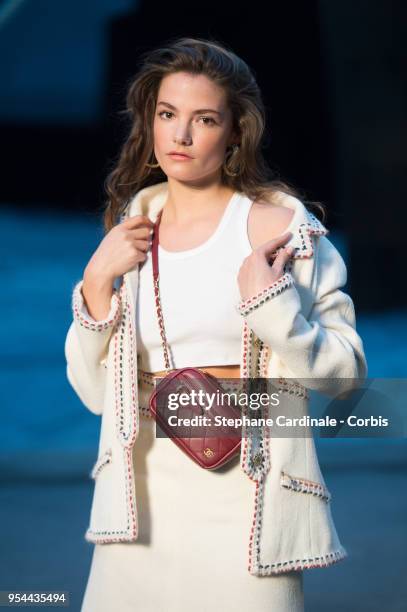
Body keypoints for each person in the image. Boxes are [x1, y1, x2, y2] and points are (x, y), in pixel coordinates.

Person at [64, 36, 368, 612]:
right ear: (148, 122)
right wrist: (98, 281)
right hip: (140, 508)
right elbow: (96, 394)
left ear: (234, 132)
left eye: (203, 119)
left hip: (248, 501)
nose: (180, 136)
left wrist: (273, 308)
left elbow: (345, 378)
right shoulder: (130, 230)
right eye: (167, 115)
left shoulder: (278, 228)